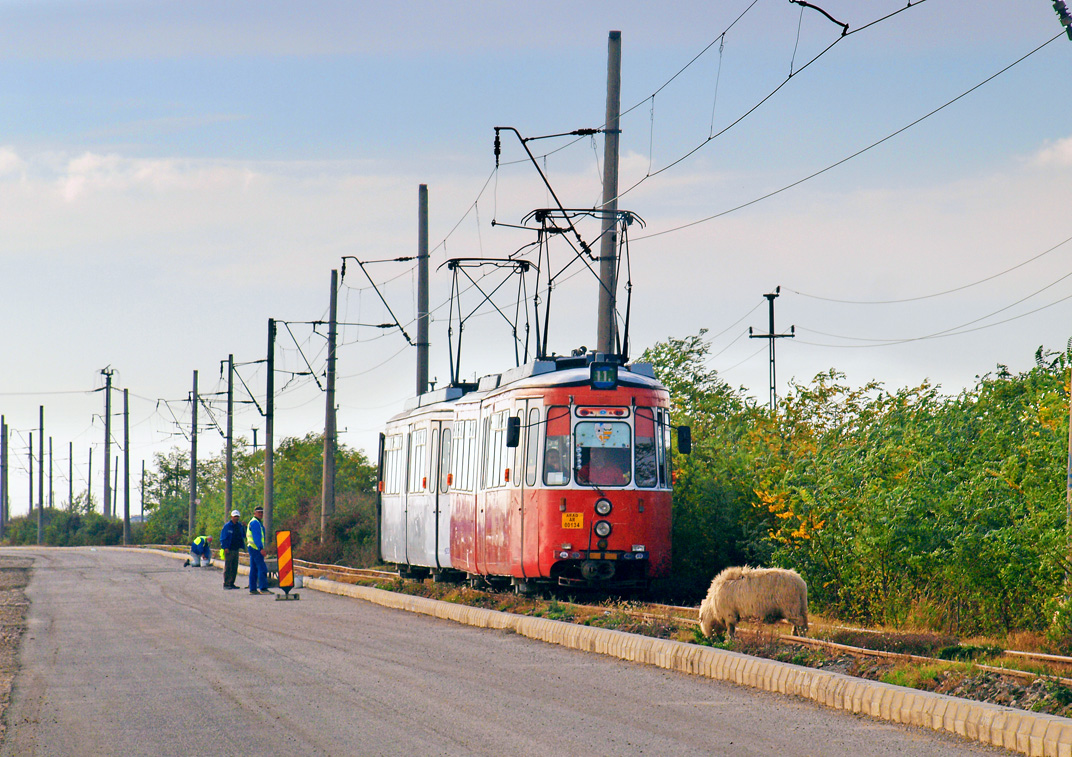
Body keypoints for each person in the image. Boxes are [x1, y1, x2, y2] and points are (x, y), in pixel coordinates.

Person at [246, 505, 272, 595]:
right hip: (256, 548)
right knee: (262, 568)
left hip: (253, 548)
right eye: (259, 512)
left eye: (262, 512)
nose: (261, 514)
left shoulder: (255, 522)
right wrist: (261, 548)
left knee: (254, 569)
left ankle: (253, 589)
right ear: (255, 513)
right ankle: (263, 588)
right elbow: (256, 537)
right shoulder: (255, 523)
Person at [219, 510, 246, 590]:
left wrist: (245, 527)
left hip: (236, 549)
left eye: (237, 517)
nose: (236, 518)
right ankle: (226, 583)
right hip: (229, 549)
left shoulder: (239, 526)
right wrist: (225, 547)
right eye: (235, 517)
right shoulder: (227, 526)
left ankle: (232, 583)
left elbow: (244, 535)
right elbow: (223, 537)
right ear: (231, 517)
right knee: (228, 567)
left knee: (234, 567)